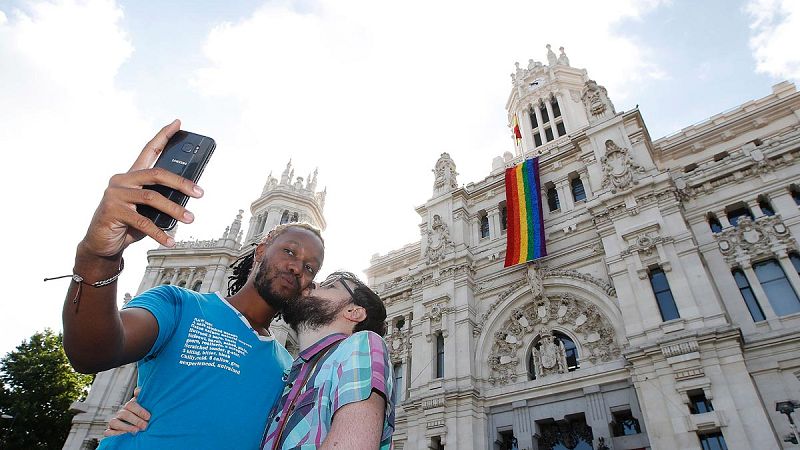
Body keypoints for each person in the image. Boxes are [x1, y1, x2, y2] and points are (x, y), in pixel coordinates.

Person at [61, 120, 326, 449]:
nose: (297, 266)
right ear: (260, 248)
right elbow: (92, 352)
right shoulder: (179, 305)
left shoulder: (291, 371)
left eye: (311, 267)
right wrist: (97, 255)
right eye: (289, 250)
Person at [108, 271, 396, 450]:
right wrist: (157, 410)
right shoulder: (291, 372)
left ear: (354, 313)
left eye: (330, 285)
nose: (313, 284)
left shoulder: (360, 344)